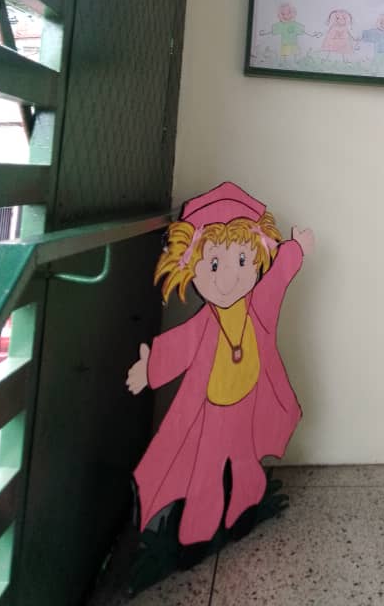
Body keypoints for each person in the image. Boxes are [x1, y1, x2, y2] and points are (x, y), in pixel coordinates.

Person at [126, 181, 314, 544]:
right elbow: (179, 346)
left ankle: (244, 508)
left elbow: (277, 278)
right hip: (211, 411)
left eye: (242, 260)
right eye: (214, 264)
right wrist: (149, 369)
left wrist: (295, 249)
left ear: (257, 255)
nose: (229, 278)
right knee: (206, 471)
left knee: (245, 462)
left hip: (250, 402)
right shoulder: (204, 324)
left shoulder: (258, 306)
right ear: (189, 267)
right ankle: (196, 535)